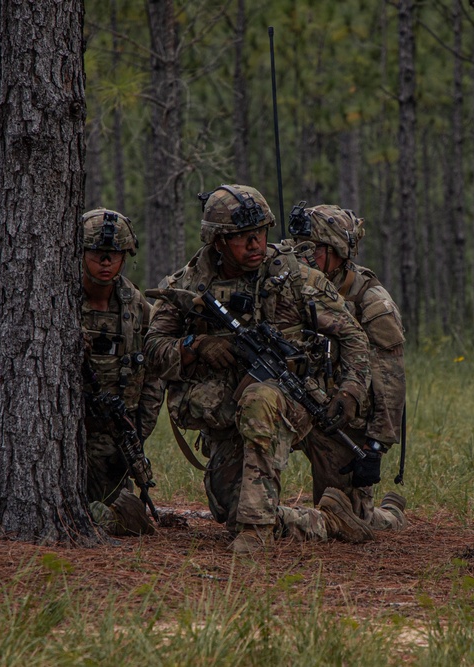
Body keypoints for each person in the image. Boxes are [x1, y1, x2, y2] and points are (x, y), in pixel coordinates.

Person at [144, 184, 384, 554]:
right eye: (243, 237)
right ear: (218, 241)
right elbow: (152, 349)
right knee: (232, 509)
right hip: (230, 420)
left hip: (306, 404)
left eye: (261, 234)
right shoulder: (186, 286)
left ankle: (263, 530)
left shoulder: (294, 278)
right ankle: (299, 522)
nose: (256, 244)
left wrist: (351, 389)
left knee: (358, 513)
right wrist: (197, 347)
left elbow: (352, 334)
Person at [288, 203, 407, 531]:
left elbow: (390, 377)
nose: (302, 257)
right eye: (297, 248)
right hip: (298, 400)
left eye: (311, 250)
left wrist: (376, 445)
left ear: (338, 252)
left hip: (342, 419)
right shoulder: (289, 288)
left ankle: (389, 515)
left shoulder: (371, 302)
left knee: (348, 519)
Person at [80, 208, 164, 536]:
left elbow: (154, 375)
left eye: (114, 255)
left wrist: (137, 434)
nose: (105, 262)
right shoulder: (57, 299)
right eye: (97, 254)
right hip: (65, 430)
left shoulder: (136, 308)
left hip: (113, 438)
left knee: (126, 518)